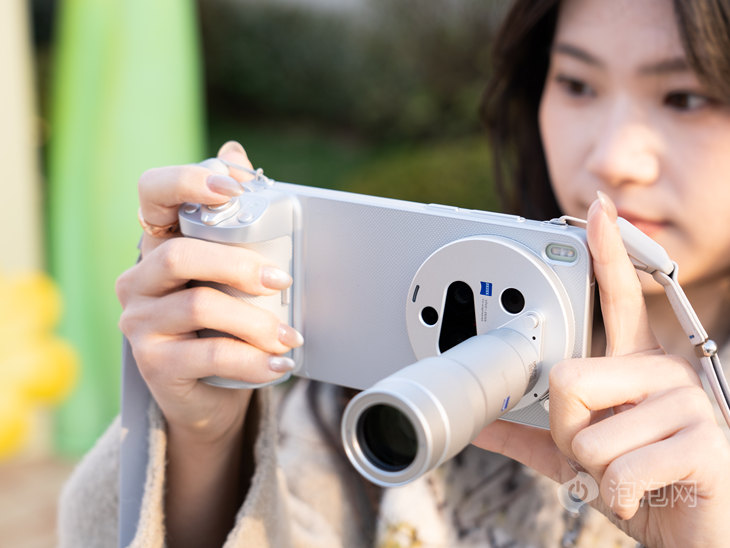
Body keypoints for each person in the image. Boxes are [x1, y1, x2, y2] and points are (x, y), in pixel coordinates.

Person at [58, 0, 730, 546]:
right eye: (577, 84)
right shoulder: (367, 381)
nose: (614, 157)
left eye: (685, 96)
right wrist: (203, 438)